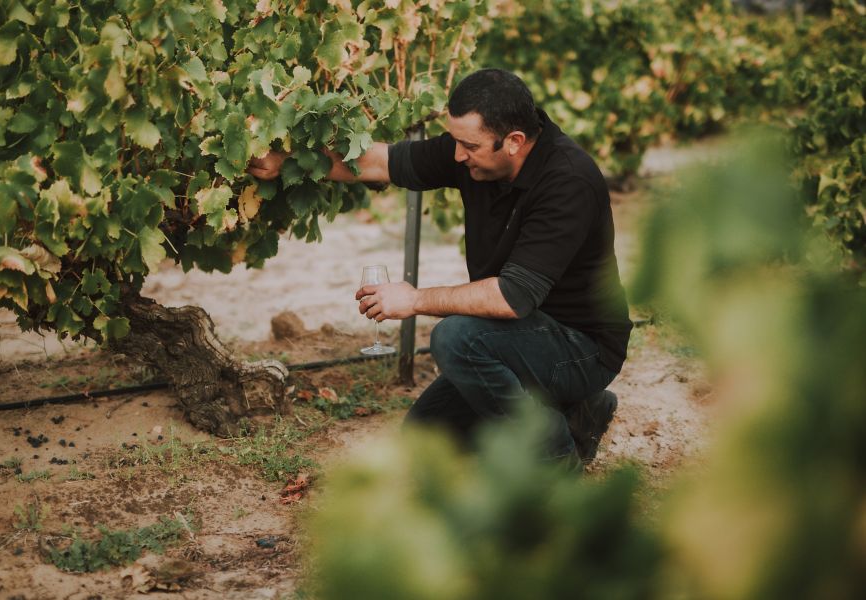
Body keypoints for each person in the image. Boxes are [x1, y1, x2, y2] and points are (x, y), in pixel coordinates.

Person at [248, 69, 631, 468]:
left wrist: (414, 299)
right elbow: (382, 162)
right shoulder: (472, 156)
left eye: (469, 145)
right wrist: (286, 160)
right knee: (425, 437)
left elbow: (512, 296)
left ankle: (553, 454)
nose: (457, 155)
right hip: (518, 337)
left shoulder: (567, 181)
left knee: (455, 337)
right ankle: (578, 410)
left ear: (515, 141)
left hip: (581, 348)